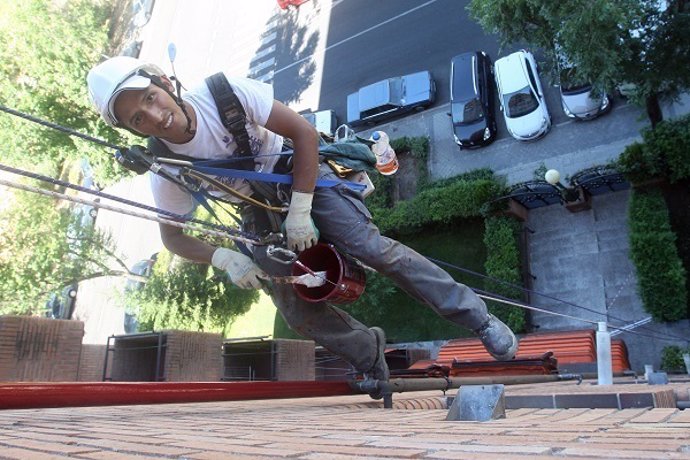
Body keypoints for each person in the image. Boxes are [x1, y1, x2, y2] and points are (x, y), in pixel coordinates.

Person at [87, 56, 518, 392]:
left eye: (148, 98)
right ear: (131, 130)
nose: (154, 115)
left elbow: (304, 134)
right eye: (136, 118)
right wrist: (223, 257)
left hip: (297, 171)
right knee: (293, 305)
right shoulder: (168, 168)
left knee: (369, 247)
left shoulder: (223, 94)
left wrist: (300, 208)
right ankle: (370, 357)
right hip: (256, 210)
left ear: (163, 83)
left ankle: (477, 318)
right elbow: (172, 237)